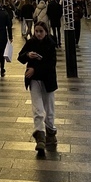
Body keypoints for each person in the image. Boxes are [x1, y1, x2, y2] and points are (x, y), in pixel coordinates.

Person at [17, 20, 58, 153]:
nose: (38, 34)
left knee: (49, 109)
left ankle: (51, 134)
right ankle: (40, 137)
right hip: (34, 81)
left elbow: (50, 65)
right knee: (38, 109)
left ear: (46, 32)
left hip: (48, 81)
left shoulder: (51, 44)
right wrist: (28, 55)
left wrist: (35, 69)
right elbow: (20, 57)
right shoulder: (31, 43)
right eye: (36, 31)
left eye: (41, 31)